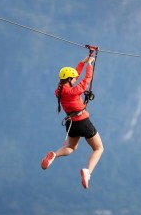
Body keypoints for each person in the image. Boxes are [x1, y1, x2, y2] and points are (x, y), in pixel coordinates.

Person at [40, 55, 104, 189]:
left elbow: (76, 75)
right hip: (82, 122)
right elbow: (87, 79)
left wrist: (84, 61)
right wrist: (90, 65)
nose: (75, 80)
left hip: (71, 124)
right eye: (73, 78)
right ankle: (88, 172)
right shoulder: (74, 91)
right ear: (69, 79)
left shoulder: (58, 91)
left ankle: (54, 156)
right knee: (98, 148)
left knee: (71, 147)